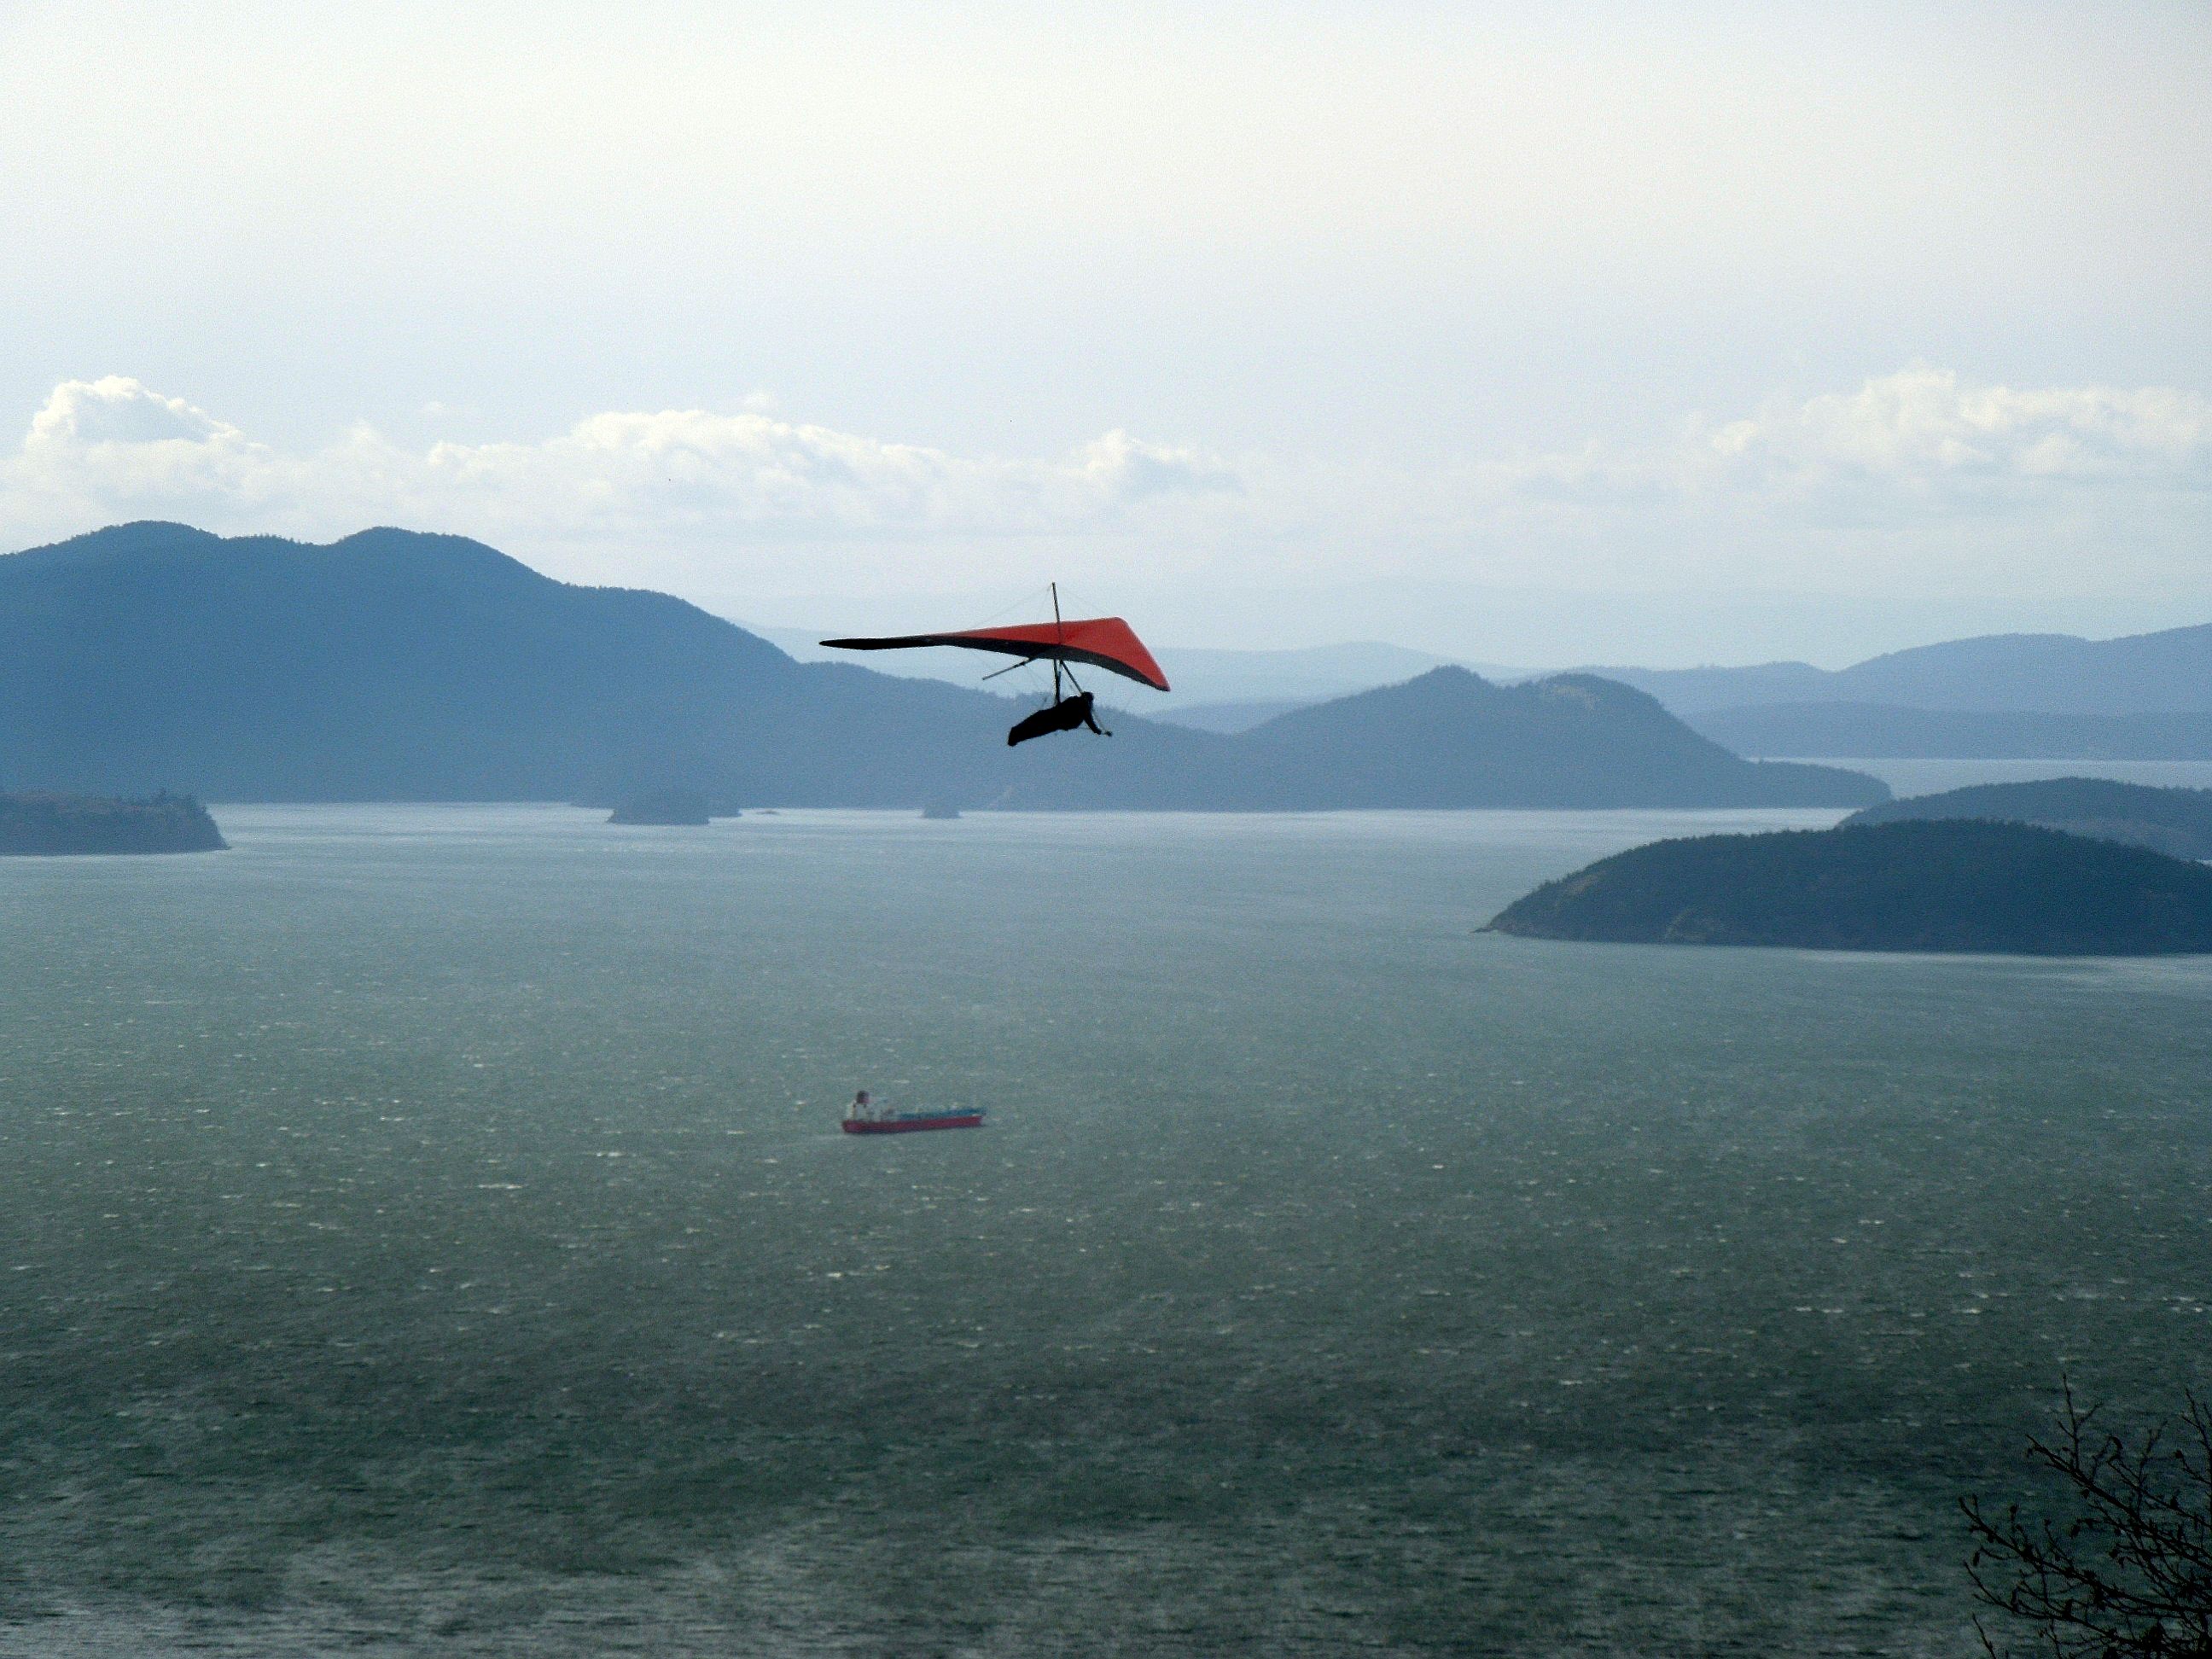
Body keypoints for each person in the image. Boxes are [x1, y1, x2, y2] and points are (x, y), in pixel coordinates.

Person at [1006, 690, 1110, 748]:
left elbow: (1089, 721)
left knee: (1035, 723)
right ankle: (1015, 736)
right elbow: (1090, 722)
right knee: (1037, 729)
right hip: (1057, 719)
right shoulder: (1083, 706)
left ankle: (1015, 734)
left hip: (1056, 717)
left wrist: (1097, 731)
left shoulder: (1076, 701)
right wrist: (1098, 731)